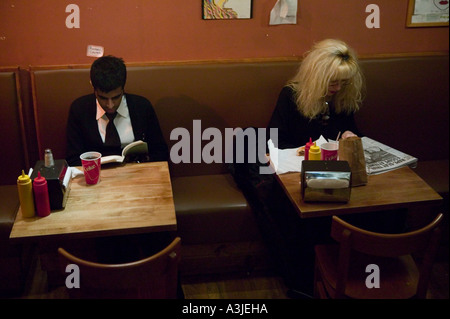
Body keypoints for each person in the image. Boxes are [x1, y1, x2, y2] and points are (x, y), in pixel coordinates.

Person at [66, 55, 169, 166]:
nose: (110, 105)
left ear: (123, 88)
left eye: (116, 97)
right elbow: (73, 159)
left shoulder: (142, 107)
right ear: (93, 88)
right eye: (103, 98)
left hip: (138, 175)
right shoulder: (80, 110)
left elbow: (161, 153)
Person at [268, 38, 364, 149]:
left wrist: (348, 135)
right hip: (297, 160)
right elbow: (274, 141)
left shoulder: (343, 94)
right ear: (316, 79)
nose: (338, 88)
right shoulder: (291, 95)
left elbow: (350, 129)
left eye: (344, 82)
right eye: (332, 82)